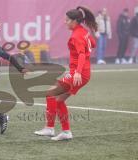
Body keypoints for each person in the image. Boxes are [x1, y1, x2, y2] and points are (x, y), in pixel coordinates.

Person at [34, 6, 96, 141]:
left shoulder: (76, 35)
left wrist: (78, 72)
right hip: (84, 72)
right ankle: (66, 132)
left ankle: (49, 128)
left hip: (78, 73)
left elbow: (81, 54)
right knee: (58, 99)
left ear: (74, 21)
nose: (65, 22)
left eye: (67, 20)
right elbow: (93, 44)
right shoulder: (83, 32)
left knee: (50, 93)